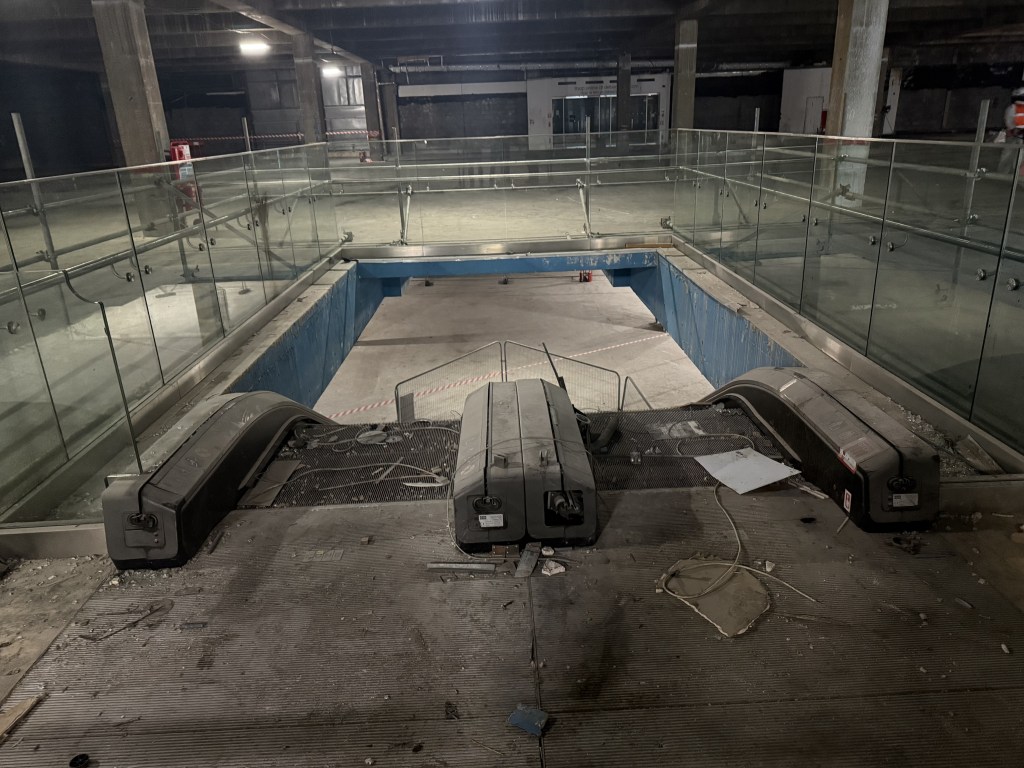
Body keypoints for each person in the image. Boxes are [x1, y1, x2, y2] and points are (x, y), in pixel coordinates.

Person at [998, 86, 1024, 174]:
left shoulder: (1013, 108)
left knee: (1015, 158)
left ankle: (1008, 176)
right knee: (1011, 158)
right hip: (1015, 136)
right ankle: (1003, 176)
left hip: (1016, 136)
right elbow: (1015, 126)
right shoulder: (1014, 109)